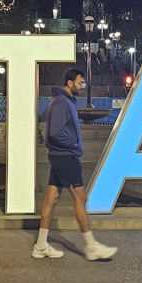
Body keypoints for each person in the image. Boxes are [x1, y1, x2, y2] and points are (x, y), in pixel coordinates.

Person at [31, 68, 117, 261]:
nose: (82, 86)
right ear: (69, 83)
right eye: (80, 83)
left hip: (60, 155)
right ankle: (91, 246)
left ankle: (40, 245)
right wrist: (73, 143)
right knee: (80, 197)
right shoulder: (61, 102)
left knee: (51, 197)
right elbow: (54, 132)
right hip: (65, 156)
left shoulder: (62, 100)